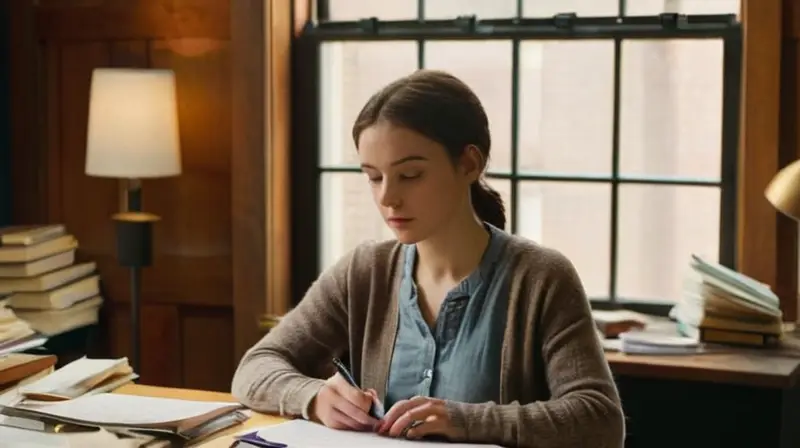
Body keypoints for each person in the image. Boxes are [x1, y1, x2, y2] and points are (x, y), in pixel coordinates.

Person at [231, 69, 625, 447]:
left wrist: (464, 420)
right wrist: (313, 396)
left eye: (410, 175)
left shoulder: (541, 278)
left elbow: (599, 420)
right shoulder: (364, 272)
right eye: (373, 176)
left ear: (470, 164)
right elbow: (256, 367)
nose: (387, 198)